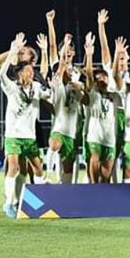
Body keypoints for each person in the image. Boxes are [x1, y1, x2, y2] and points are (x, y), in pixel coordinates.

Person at [0, 33, 52, 217]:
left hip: (30, 137)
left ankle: (30, 201)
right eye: (26, 71)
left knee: (37, 168)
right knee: (13, 166)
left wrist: (50, 87)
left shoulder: (36, 88)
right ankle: (8, 202)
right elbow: (0, 72)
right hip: (13, 135)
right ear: (20, 73)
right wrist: (14, 49)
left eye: (31, 71)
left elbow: (49, 93)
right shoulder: (12, 87)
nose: (30, 73)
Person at [83, 33, 124, 183]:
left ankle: (101, 192)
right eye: (99, 78)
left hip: (110, 137)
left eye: (104, 77)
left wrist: (118, 54)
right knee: (94, 158)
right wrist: (89, 55)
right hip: (94, 135)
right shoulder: (93, 92)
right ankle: (93, 186)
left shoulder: (115, 93)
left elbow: (115, 74)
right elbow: (88, 75)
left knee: (106, 175)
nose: (102, 80)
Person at [48, 34, 84, 184]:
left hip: (75, 118)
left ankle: (68, 185)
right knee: (55, 144)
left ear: (74, 53)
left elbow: (85, 88)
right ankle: (48, 174)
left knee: (70, 157)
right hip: (60, 114)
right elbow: (52, 47)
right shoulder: (58, 67)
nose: (68, 51)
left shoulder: (78, 72)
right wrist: (50, 22)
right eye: (65, 49)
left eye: (70, 49)